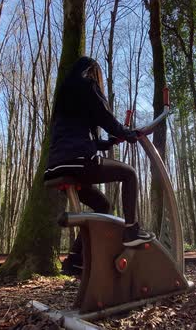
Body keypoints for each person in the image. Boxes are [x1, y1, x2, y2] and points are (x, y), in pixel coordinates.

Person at [45, 57, 155, 276]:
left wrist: (113, 141)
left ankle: (76, 260)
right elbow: (105, 118)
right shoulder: (88, 85)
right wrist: (127, 134)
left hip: (57, 167)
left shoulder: (64, 98)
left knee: (102, 206)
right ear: (92, 72)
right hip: (79, 162)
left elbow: (85, 139)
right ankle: (131, 231)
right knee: (130, 174)